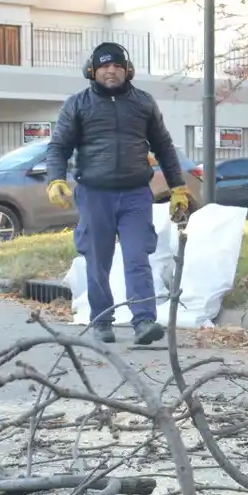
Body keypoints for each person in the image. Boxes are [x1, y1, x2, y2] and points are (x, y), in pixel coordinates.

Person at [45, 41, 190, 345]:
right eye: (104, 66)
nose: (111, 71)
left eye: (117, 66)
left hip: (136, 193)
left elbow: (163, 146)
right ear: (92, 70)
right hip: (94, 193)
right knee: (98, 260)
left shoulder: (144, 103)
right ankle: (101, 320)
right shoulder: (77, 104)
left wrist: (178, 188)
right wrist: (55, 179)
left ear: (127, 70)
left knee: (137, 256)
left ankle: (144, 321)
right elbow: (58, 146)